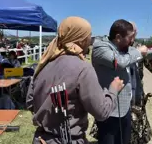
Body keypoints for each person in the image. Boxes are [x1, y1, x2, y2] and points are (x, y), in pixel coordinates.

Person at [26, 16, 124, 144]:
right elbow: (101, 112)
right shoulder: (83, 69)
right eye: (89, 36)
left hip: (41, 139)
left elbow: (30, 102)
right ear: (81, 39)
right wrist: (113, 90)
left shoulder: (43, 64)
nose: (90, 40)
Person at [91, 19, 148, 144]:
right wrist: (138, 52)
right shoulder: (100, 47)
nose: (132, 40)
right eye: (130, 37)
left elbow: (148, 53)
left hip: (124, 107)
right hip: (109, 109)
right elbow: (120, 62)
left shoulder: (126, 47)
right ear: (118, 37)